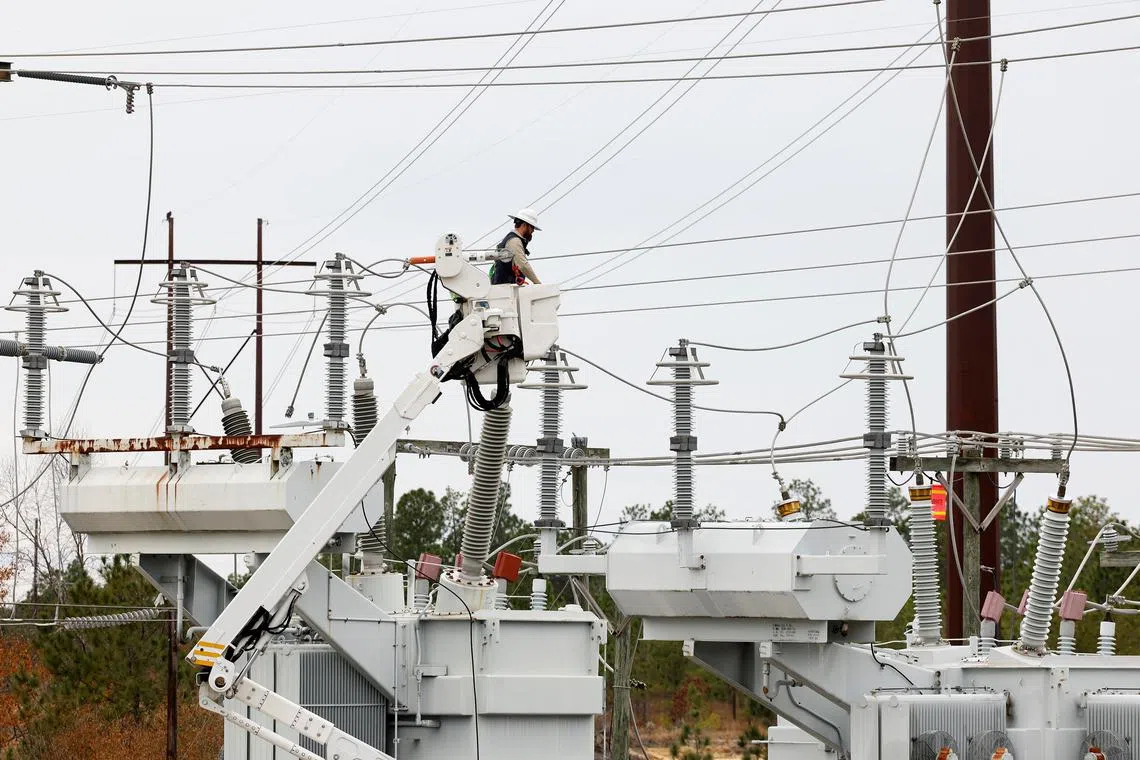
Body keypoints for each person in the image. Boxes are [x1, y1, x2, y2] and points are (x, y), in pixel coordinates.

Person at [490, 208, 543, 285]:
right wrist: (538, 284)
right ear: (524, 225)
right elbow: (523, 266)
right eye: (532, 227)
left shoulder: (513, 239)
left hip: (504, 287)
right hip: (504, 290)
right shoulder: (514, 241)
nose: (533, 231)